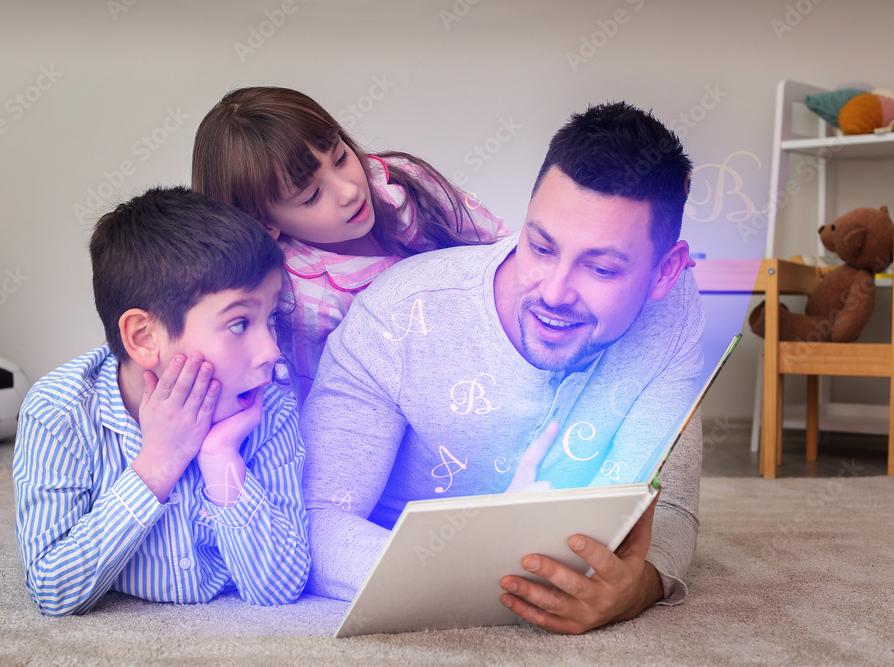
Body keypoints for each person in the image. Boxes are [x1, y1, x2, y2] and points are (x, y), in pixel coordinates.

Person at [300, 102, 705, 634]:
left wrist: (638, 587)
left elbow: (669, 508)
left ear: (665, 272)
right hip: (396, 557)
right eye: (540, 246)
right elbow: (315, 523)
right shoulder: (398, 312)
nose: (554, 293)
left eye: (602, 267)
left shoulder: (674, 308)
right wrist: (491, 576)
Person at [13, 187, 309, 616]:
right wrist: (157, 464)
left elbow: (280, 587)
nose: (271, 352)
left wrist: (221, 457)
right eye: (240, 323)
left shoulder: (270, 409)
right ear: (143, 337)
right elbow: (53, 590)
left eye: (271, 318)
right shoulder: (59, 411)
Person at [191, 86, 511, 404]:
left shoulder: (403, 182)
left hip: (499, 356)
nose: (348, 191)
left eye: (341, 158)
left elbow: (499, 251)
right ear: (264, 223)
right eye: (312, 195)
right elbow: (331, 410)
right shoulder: (303, 304)